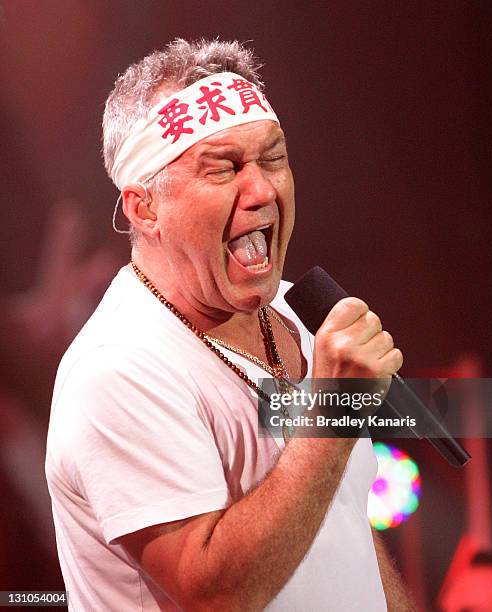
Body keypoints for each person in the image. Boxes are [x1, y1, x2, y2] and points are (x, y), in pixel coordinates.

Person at [46, 38, 414, 611]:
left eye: (273, 158)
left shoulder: (298, 313)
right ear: (145, 208)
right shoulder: (119, 369)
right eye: (224, 167)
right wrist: (334, 409)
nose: (263, 189)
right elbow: (216, 596)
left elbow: (342, 525)